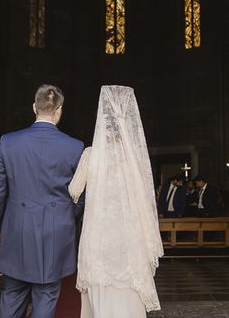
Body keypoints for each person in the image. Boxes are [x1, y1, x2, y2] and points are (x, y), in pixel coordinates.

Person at [0, 84, 84, 318]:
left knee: (12, 293)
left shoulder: (9, 142)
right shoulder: (74, 146)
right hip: (56, 230)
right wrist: (66, 218)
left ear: (34, 107)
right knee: (47, 294)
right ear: (59, 110)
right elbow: (81, 195)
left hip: (16, 227)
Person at [69, 85, 163, 317]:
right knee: (128, 290)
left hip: (99, 236)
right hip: (129, 237)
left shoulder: (91, 154)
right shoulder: (135, 157)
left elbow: (74, 190)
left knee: (102, 287)